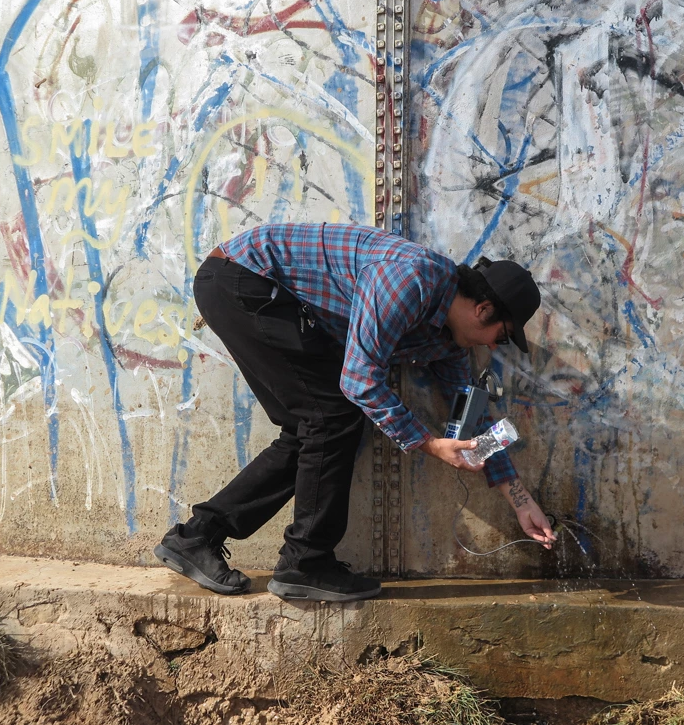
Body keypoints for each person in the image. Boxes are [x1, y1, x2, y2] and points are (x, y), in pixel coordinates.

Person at [154, 222, 555, 602]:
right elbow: (358, 381)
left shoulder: (448, 342)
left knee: (314, 427)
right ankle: (305, 563)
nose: (495, 347)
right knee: (330, 418)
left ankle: (200, 537)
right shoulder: (411, 280)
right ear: (483, 309)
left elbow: (472, 412)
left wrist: (519, 499)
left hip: (267, 296)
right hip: (244, 280)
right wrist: (430, 444)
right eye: (501, 337)